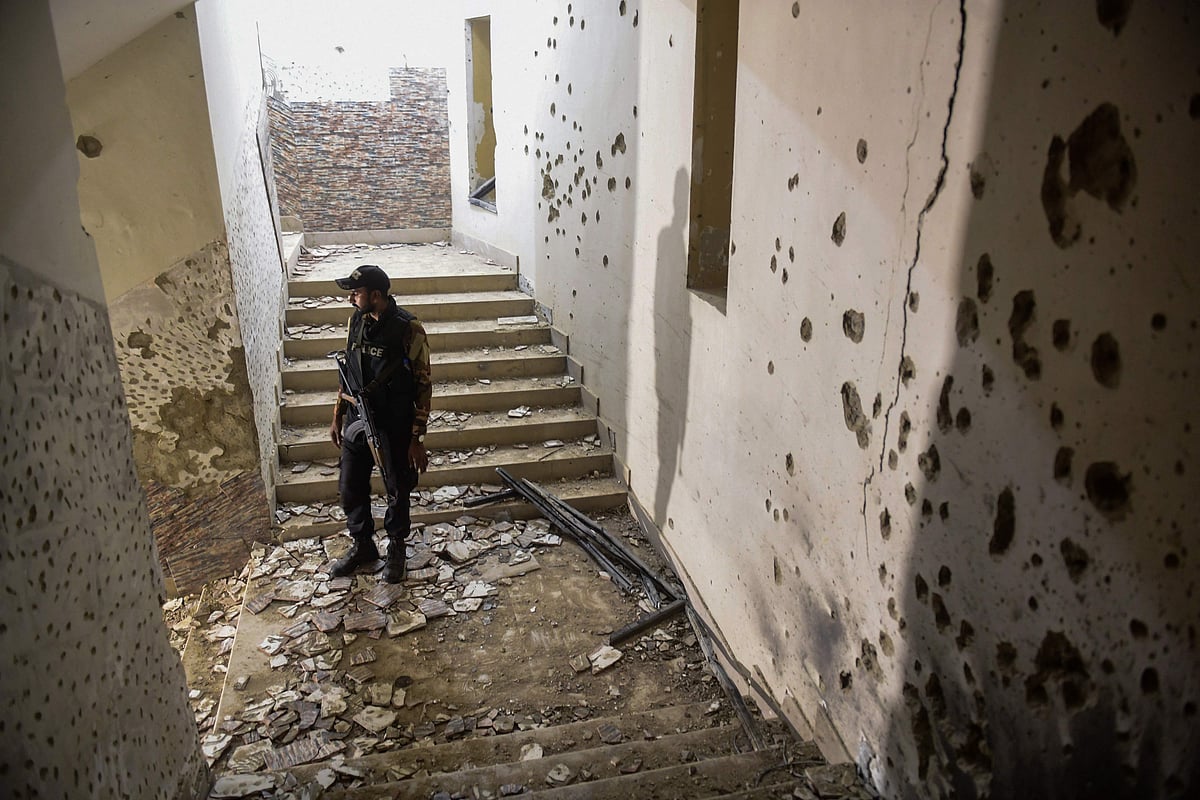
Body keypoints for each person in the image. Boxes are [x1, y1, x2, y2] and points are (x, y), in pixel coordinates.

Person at [328, 264, 431, 583]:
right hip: (359, 419)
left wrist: (417, 438)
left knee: (397, 488)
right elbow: (348, 370)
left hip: (395, 422)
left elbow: (424, 384)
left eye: (355, 293)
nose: (351, 300)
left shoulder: (408, 328)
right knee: (349, 487)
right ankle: (363, 546)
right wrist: (337, 415)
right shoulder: (356, 320)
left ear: (376, 295)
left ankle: (396, 547)